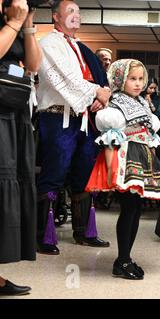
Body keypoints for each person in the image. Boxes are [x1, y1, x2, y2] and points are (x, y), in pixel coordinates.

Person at [85, 59, 160, 280]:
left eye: (140, 79)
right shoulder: (115, 103)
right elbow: (109, 138)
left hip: (142, 155)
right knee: (129, 208)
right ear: (119, 79)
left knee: (135, 209)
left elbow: (149, 134)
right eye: (132, 79)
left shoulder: (141, 103)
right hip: (125, 157)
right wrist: (110, 172)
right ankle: (122, 260)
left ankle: (125, 258)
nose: (137, 83)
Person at [36, 0, 111, 255]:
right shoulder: (47, 44)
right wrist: (97, 93)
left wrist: (101, 98)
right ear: (55, 17)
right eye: (70, 11)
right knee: (54, 173)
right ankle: (43, 236)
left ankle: (84, 233)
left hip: (83, 120)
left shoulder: (82, 48)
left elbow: (98, 80)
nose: (76, 16)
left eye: (79, 12)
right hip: (58, 118)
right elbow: (66, 79)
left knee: (84, 174)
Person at [0, 0, 41, 295]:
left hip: (14, 110)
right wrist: (13, 23)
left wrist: (26, 26)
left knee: (10, 185)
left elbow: (34, 64)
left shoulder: (16, 13)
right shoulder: (9, 17)